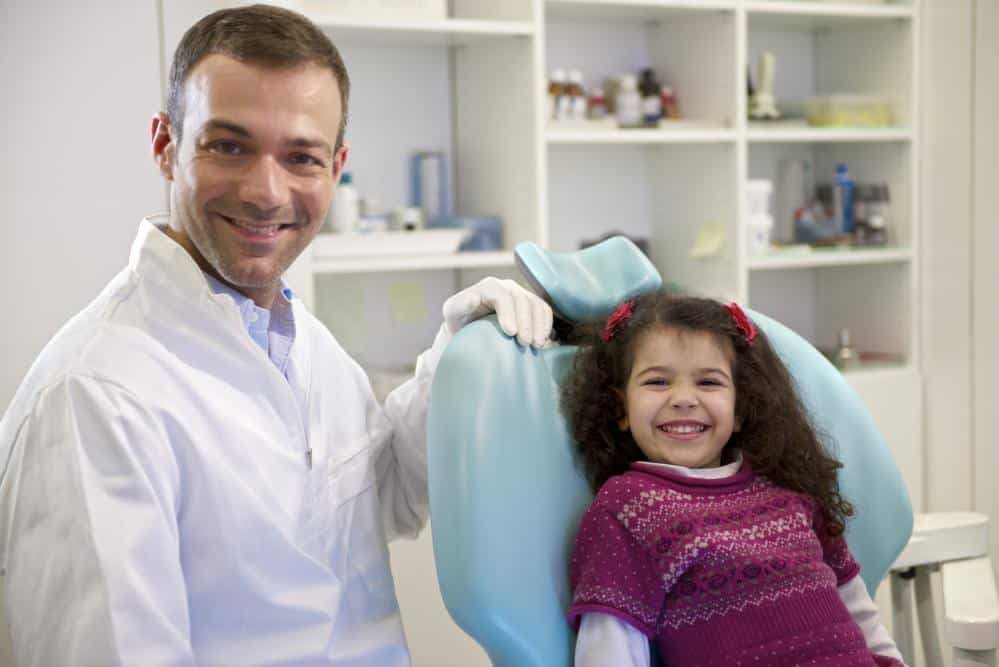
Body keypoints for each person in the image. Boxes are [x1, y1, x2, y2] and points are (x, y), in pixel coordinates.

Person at [0, 5, 552, 666]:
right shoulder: (94, 394)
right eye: (229, 145)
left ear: (337, 165)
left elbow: (382, 500)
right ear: (165, 145)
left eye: (301, 157)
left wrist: (458, 361)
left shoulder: (304, 343)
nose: (267, 192)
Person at [560, 292, 905, 666]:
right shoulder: (629, 508)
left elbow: (858, 610)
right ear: (620, 408)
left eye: (708, 383)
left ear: (740, 409)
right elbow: (610, 649)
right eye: (658, 382)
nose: (683, 398)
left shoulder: (787, 488)